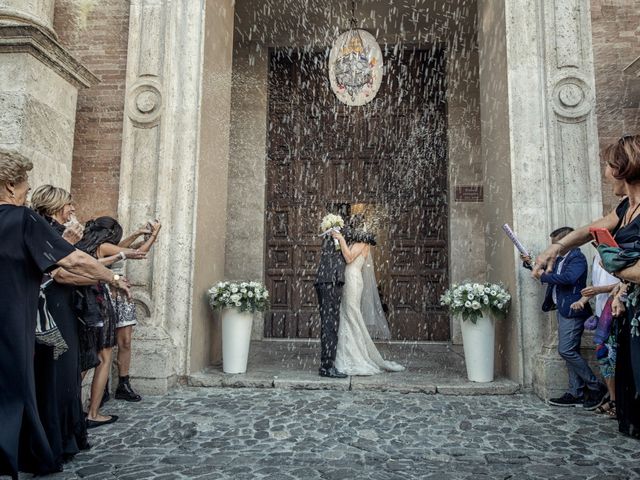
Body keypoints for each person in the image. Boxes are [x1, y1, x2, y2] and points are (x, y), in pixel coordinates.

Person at [0, 151, 130, 479]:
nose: (27, 193)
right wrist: (111, 277)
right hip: (12, 322)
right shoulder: (22, 220)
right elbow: (71, 262)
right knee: (15, 392)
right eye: (25, 187)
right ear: (9, 185)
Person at [533, 133, 640, 437]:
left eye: (609, 166)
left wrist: (617, 269)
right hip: (629, 308)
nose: (605, 173)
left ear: (623, 168)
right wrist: (556, 248)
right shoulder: (624, 209)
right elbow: (591, 229)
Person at [30, 185, 92, 465]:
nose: (73, 209)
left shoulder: (57, 231)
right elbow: (62, 272)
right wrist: (104, 277)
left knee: (67, 375)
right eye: (69, 204)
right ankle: (55, 442)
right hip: (51, 312)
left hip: (63, 308)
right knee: (56, 375)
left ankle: (67, 437)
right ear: (55, 206)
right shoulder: (47, 231)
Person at [75, 217, 153, 426]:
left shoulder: (88, 245)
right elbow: (135, 252)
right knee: (103, 354)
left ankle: (113, 388)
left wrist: (135, 236)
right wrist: (153, 235)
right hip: (104, 299)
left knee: (102, 351)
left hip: (101, 299)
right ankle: (93, 409)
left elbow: (125, 248)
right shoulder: (103, 247)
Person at [533, 227, 606, 409]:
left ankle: (596, 386)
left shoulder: (577, 258)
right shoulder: (560, 258)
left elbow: (568, 278)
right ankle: (576, 393)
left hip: (573, 310)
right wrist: (531, 264)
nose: (554, 247)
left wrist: (544, 276)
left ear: (568, 241)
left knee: (566, 350)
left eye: (557, 243)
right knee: (570, 351)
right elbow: (548, 273)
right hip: (562, 309)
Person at [331, 221, 404, 375]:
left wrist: (341, 239)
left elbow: (349, 258)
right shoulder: (357, 241)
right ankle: (346, 353)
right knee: (346, 314)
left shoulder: (362, 242)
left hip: (352, 279)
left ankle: (357, 355)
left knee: (351, 314)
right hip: (348, 279)